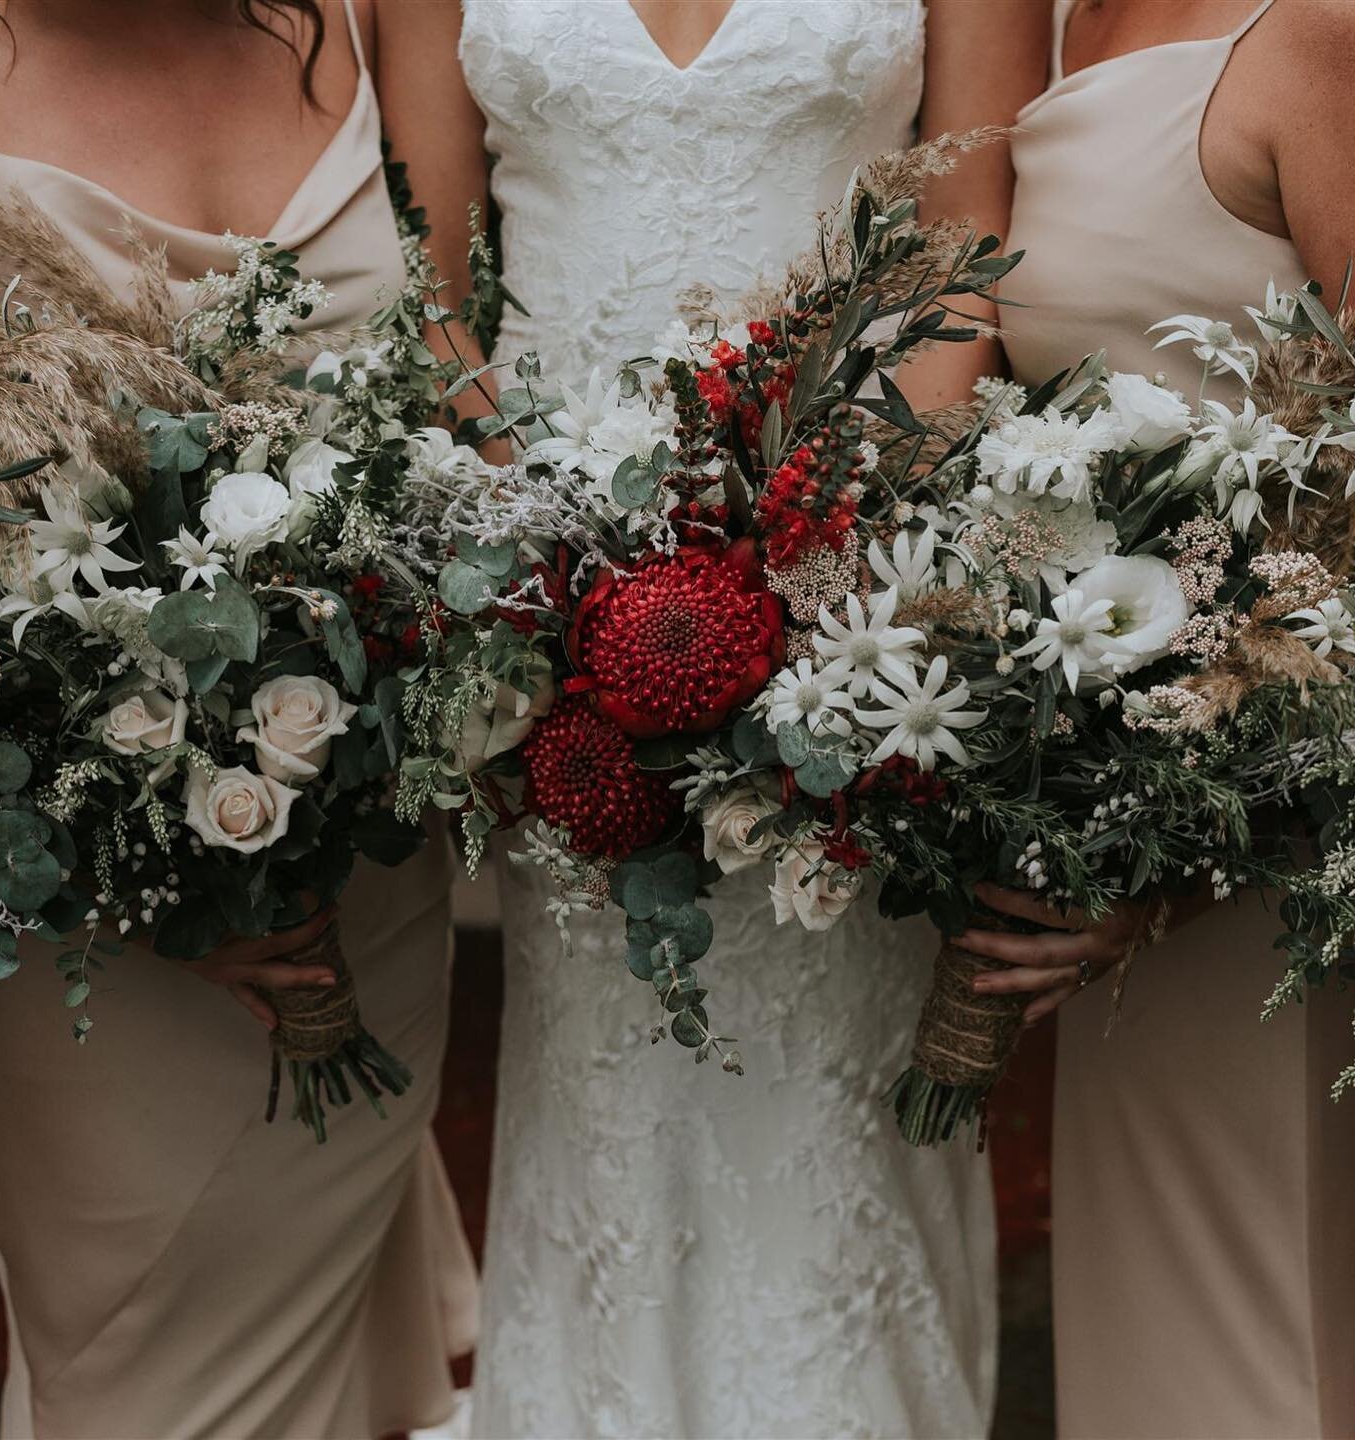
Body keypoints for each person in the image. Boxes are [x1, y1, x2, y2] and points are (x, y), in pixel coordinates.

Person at [394, 3, 1046, 1435]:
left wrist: (838, 561)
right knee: (610, 1102)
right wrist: (547, 565)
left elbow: (964, 252)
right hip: (557, 603)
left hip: (852, 600)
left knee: (833, 1103)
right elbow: (434, 287)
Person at [0, 3, 476, 1436]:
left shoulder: (373, 19)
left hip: (365, 863)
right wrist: (135, 840)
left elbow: (466, 385)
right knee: (147, 1374)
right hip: (72, 897)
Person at [971, 1, 1355, 1435]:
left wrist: (1218, 817)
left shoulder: (1312, 37)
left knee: (1262, 1345)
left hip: (1271, 853)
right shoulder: (1060, 26)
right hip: (1124, 828)